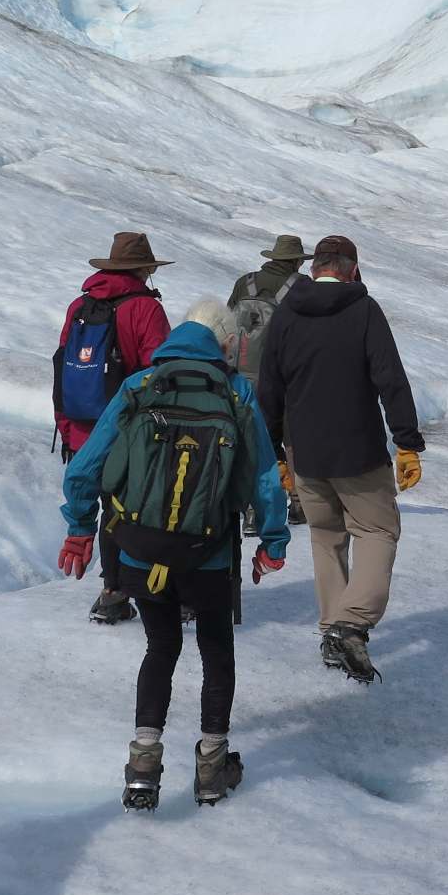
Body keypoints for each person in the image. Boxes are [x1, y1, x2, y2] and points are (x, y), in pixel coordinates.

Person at [58, 300, 289, 810]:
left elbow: (85, 468)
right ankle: (211, 766)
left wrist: (79, 529)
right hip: (208, 554)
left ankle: (143, 765)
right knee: (216, 650)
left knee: (160, 647)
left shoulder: (140, 386)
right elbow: (264, 480)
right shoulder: (235, 392)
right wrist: (273, 543)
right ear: (226, 345)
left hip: (139, 551)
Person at [255, 234, 423, 683]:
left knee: (326, 538)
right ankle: (351, 624)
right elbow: (391, 379)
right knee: (377, 530)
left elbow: (268, 389)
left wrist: (274, 454)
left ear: (314, 268)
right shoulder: (363, 310)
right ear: (352, 268)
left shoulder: (287, 313)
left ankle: (333, 632)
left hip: (304, 451)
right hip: (359, 450)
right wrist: (407, 442)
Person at [53, 231, 171, 625]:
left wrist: (66, 426)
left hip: (82, 427)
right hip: (128, 429)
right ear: (145, 269)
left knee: (107, 506)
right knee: (134, 507)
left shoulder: (79, 306)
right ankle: (141, 586)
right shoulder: (144, 309)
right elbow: (159, 373)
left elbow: (63, 364)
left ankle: (111, 592)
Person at [228, 234, 310, 529]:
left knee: (251, 441)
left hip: (243, 377)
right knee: (293, 441)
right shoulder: (302, 287)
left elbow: (229, 325)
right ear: (297, 262)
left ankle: (251, 509)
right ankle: (299, 505)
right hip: (285, 381)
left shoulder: (245, 283)